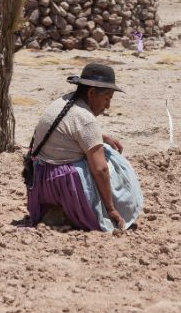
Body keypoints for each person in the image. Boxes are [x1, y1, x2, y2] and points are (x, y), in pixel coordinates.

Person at [25, 62, 143, 231]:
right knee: (112, 160)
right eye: (107, 98)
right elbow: (100, 170)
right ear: (92, 92)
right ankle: (88, 211)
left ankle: (56, 210)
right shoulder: (85, 118)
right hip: (64, 185)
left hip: (41, 181)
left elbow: (65, 132)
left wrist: (101, 137)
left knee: (101, 148)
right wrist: (111, 209)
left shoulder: (62, 102)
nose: (108, 106)